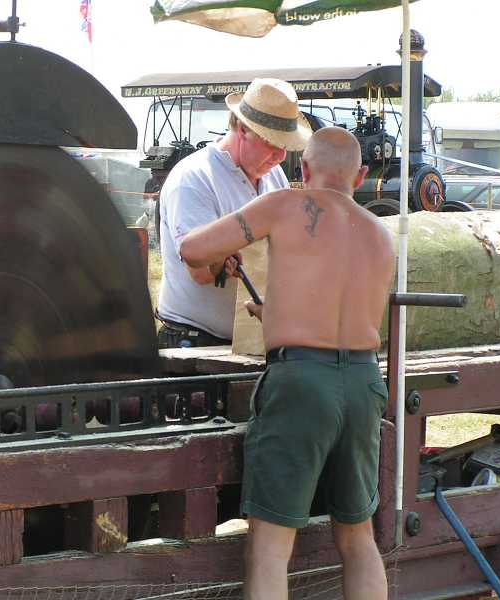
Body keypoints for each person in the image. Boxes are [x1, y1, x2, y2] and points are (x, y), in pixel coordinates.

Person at [179, 126, 395, 600]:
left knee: (271, 546)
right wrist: (275, 309)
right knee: (358, 537)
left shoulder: (285, 205)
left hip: (300, 382)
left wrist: (225, 248)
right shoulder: (381, 236)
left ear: (302, 169)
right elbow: (334, 310)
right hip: (361, 383)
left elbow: (191, 249)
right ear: (360, 176)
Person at [155, 78, 312, 349]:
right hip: (194, 340)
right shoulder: (194, 178)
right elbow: (202, 271)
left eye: (284, 145)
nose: (280, 155)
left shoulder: (274, 176)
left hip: (250, 339)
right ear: (242, 128)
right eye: (271, 142)